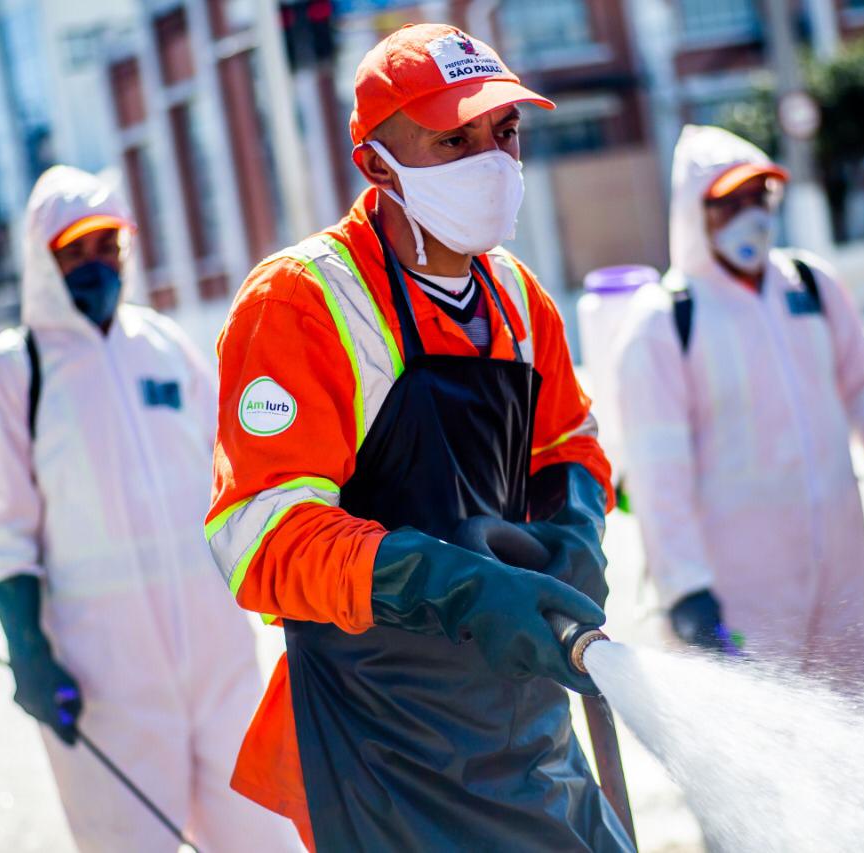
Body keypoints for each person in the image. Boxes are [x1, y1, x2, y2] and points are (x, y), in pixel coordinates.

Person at [206, 24, 631, 852]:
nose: (493, 160)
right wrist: (456, 585)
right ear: (375, 164)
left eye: (504, 132)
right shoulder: (301, 302)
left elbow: (568, 440)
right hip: (385, 751)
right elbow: (263, 540)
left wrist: (577, 528)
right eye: (455, 139)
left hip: (523, 723)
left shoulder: (515, 295)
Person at [0, 165, 301, 851]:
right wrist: (30, 652)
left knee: (270, 839)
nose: (95, 264)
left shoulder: (166, 349)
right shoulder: (8, 374)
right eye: (74, 251)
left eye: (107, 246)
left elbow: (234, 478)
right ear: (40, 259)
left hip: (222, 668)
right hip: (105, 689)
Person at [615, 126, 864, 702]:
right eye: (730, 204)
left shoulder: (812, 285)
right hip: (742, 590)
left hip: (842, 573)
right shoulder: (665, 323)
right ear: (697, 214)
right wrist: (685, 589)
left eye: (759, 198)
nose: (752, 217)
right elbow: (656, 472)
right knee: (767, 758)